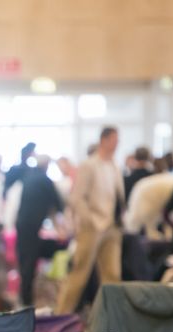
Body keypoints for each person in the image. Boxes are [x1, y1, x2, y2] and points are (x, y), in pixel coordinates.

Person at [56, 126, 125, 314]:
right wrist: (90, 221)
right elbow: (77, 197)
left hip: (112, 226)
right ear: (104, 140)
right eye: (114, 140)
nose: (117, 144)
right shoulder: (89, 165)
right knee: (80, 273)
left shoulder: (114, 165)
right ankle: (61, 315)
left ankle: (112, 316)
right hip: (93, 226)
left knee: (112, 275)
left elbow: (118, 197)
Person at [16, 155, 64, 306]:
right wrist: (61, 229)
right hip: (31, 227)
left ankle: (25, 298)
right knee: (29, 263)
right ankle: (26, 301)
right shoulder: (45, 180)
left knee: (25, 263)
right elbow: (58, 206)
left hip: (22, 225)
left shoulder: (28, 178)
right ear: (47, 165)